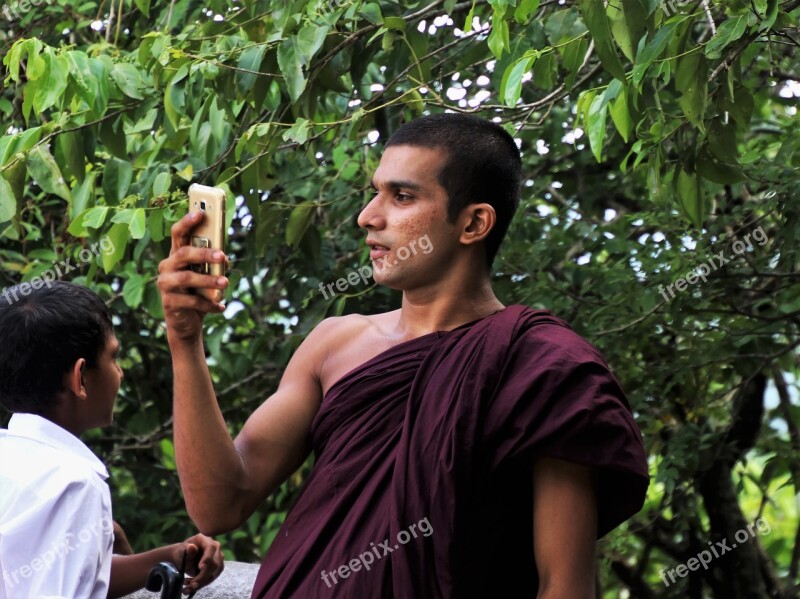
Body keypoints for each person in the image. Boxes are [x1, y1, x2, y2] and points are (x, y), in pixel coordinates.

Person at [157, 113, 649, 598]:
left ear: (474, 223)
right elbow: (220, 503)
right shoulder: (335, 343)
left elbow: (565, 585)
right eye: (376, 192)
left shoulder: (544, 364)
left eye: (402, 196)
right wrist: (184, 340)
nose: (369, 216)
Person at [0, 281, 224, 599]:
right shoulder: (73, 485)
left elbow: (71, 577)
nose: (119, 373)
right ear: (81, 379)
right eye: (113, 357)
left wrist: (171, 556)